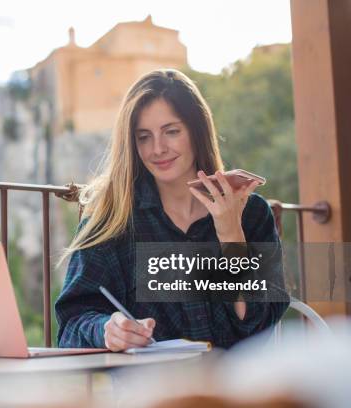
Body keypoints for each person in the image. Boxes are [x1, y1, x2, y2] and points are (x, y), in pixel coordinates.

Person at [55, 69, 289, 351]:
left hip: (237, 389)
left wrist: (231, 234)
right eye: (143, 137)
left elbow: (259, 322)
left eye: (172, 131)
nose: (157, 149)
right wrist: (107, 330)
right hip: (151, 391)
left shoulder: (253, 214)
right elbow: (72, 324)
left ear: (196, 131)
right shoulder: (113, 218)